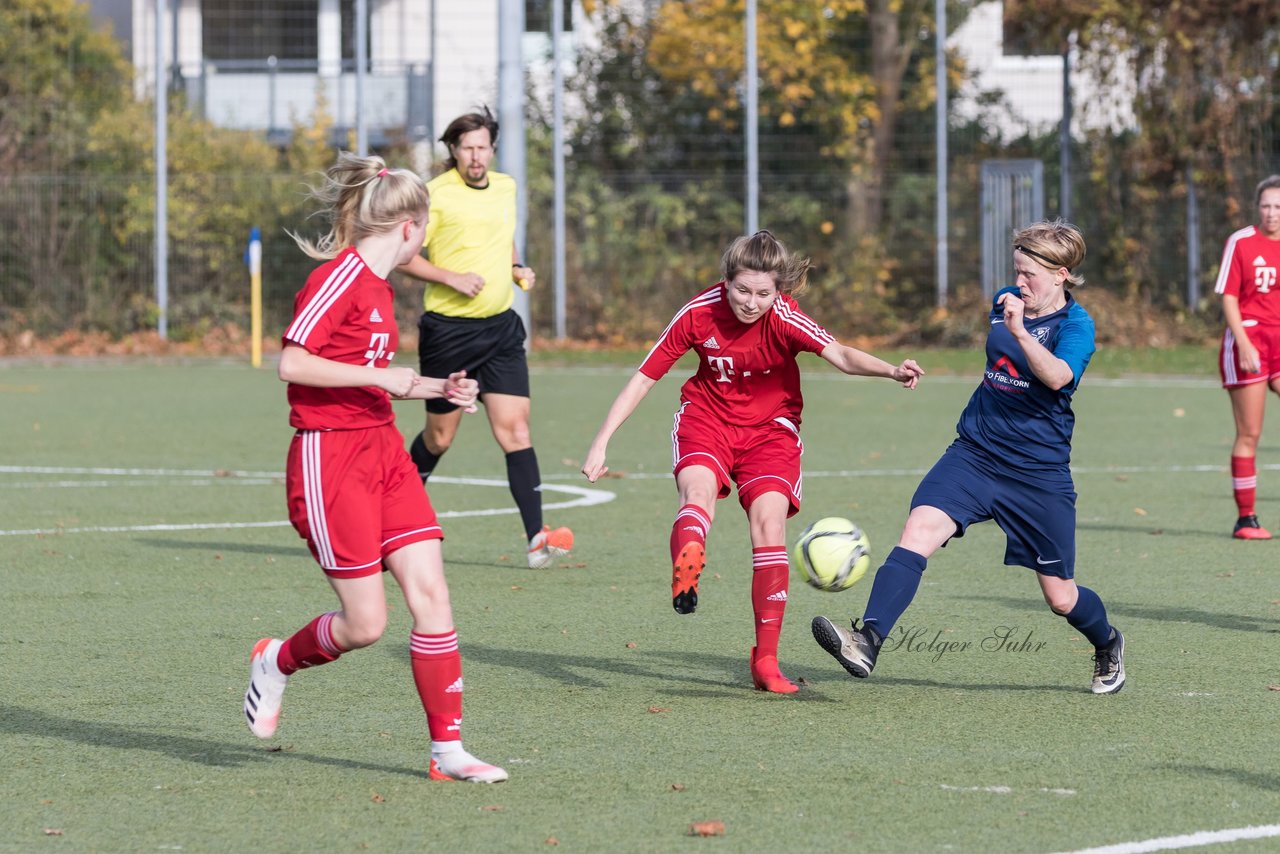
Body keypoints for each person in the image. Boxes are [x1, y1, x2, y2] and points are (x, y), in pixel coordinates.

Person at [242, 151, 507, 783]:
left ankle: (449, 753)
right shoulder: (338, 278)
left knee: (432, 596)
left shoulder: (383, 289)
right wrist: (381, 376)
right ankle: (276, 661)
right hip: (328, 458)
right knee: (365, 624)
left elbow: (377, 381)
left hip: (385, 451)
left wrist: (439, 387)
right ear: (412, 227)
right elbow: (293, 364)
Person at [581, 231, 923, 694]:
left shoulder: (784, 316)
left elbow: (840, 355)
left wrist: (890, 370)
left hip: (771, 433)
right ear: (725, 280)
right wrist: (602, 441)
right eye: (742, 290)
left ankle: (766, 661)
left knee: (769, 526)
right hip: (706, 421)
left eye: (764, 293)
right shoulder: (699, 313)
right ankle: (688, 566)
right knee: (697, 493)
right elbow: (645, 377)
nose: (751, 302)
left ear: (778, 290)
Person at [812, 219, 1126, 695]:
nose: (1019, 282)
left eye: (1031, 274)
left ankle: (1107, 642)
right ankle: (866, 640)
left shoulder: (1076, 325)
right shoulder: (1004, 303)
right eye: (1016, 270)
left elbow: (1060, 377)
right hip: (975, 454)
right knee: (918, 531)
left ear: (1062, 274)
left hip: (1037, 474)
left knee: (1061, 597)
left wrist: (1023, 333)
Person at [397, 107, 572, 569]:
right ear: (452, 150)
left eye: (482, 147)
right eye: (466, 148)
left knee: (516, 430)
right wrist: (451, 278)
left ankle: (537, 539)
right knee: (439, 439)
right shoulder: (433, 195)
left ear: (492, 148)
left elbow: (504, 238)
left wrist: (515, 267)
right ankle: (392, 520)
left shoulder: (507, 186)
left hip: (500, 329)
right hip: (448, 334)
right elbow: (404, 256)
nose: (475, 156)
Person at [1215, 174, 1280, 540]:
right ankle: (1246, 519)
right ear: (1258, 207)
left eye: (1278, 207)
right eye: (1266, 206)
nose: (1272, 213)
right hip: (1249, 339)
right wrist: (1245, 344)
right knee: (1250, 432)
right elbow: (1228, 296)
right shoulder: (1241, 242)